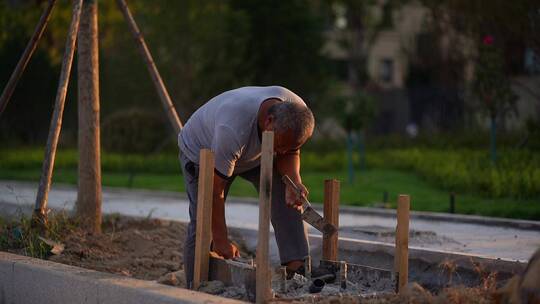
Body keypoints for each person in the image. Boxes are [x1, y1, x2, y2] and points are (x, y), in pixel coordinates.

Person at [178, 86, 318, 288]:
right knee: (203, 219)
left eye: (287, 146)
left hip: (252, 154)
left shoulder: (296, 112)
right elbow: (214, 192)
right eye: (280, 145)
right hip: (203, 151)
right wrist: (221, 239)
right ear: (269, 121)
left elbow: (290, 151)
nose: (282, 151)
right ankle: (197, 284)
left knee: (286, 193)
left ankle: (297, 268)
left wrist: (294, 181)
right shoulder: (233, 127)